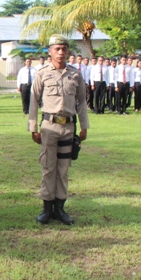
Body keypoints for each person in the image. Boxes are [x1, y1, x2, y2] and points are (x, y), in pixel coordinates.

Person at [29, 35, 89, 225]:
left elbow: (81, 102)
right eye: (57, 49)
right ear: (50, 51)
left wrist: (84, 126)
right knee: (48, 167)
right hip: (49, 127)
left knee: (63, 170)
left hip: (69, 128)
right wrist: (33, 128)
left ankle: (60, 208)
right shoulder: (42, 73)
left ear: (68, 51)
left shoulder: (75, 74)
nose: (61, 52)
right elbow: (33, 101)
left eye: (64, 49)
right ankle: (47, 209)